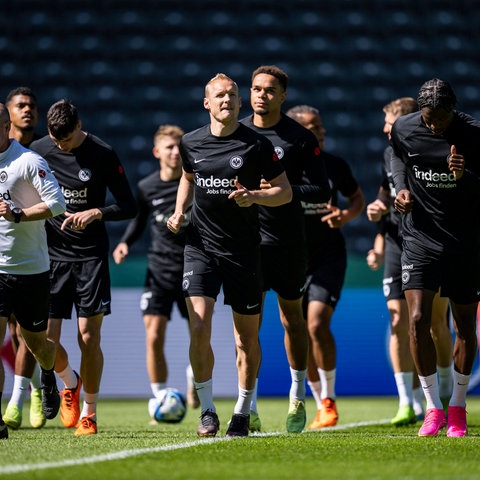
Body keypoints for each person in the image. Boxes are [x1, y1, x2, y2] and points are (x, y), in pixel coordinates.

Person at [167, 73, 292, 437]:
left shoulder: (256, 144)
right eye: (219, 95)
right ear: (207, 103)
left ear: (240, 103)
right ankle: (207, 410)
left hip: (244, 250)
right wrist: (179, 211)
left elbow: (284, 192)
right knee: (199, 325)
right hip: (200, 246)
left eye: (233, 95)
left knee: (244, 339)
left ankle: (242, 410)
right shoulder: (190, 142)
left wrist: (254, 196)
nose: (227, 100)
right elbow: (188, 177)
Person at [29, 99, 137, 436]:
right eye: (56, 141)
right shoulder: (37, 150)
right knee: (44, 338)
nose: (61, 147)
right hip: (49, 257)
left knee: (88, 337)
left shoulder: (102, 153)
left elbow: (128, 205)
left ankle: (89, 411)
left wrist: (97, 212)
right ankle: (68, 382)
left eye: (68, 141)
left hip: (90, 257)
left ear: (79, 126)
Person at [240, 66, 331, 433]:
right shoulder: (237, 133)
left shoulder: (300, 138)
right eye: (256, 89)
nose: (261, 95)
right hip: (246, 243)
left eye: (269, 90)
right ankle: (249, 405)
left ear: (282, 97)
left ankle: (297, 396)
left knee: (291, 320)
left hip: (289, 243)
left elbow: (321, 190)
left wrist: (281, 189)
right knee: (248, 329)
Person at [391, 78, 480, 437]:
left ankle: (457, 406)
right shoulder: (404, 128)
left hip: (464, 241)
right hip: (419, 238)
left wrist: (465, 175)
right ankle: (432, 407)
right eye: (428, 118)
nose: (433, 125)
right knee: (417, 319)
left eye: (440, 119)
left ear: (452, 112)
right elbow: (398, 159)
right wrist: (400, 189)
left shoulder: (473, 134)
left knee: (463, 324)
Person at [367, 96, 454, 427]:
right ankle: (407, 400)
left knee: (434, 322)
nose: (384, 127)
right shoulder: (388, 156)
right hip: (395, 243)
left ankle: (443, 392)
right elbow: (384, 194)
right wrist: (378, 209)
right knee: (397, 318)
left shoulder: (433, 152)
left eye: (389, 121)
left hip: (431, 243)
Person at [286, 105, 365, 429]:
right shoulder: (281, 169)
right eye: (313, 127)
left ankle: (329, 400)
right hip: (290, 257)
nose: (321, 132)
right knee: (298, 330)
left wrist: (346, 216)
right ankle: (315, 402)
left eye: (321, 127)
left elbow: (357, 198)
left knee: (317, 324)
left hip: (328, 256)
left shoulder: (334, 165)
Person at [112, 124, 199, 411]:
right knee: (153, 335)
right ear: (157, 151)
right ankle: (161, 397)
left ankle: (193, 374)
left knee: (199, 333)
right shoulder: (146, 187)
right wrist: (125, 243)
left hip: (192, 267)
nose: (175, 152)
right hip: (159, 270)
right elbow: (138, 220)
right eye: (169, 147)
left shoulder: (194, 183)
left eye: (179, 147)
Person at [0, 103, 66, 440]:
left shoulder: (28, 161)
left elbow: (58, 205)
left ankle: (48, 376)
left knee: (37, 343)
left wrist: (18, 214)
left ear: (5, 125)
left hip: (31, 270)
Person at [3, 87, 46, 430]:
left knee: (30, 337)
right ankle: (16, 401)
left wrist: (20, 214)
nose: (27, 110)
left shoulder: (39, 153)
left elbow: (57, 203)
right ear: (10, 117)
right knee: (10, 333)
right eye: (21, 105)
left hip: (37, 256)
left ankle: (41, 383)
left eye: (32, 105)